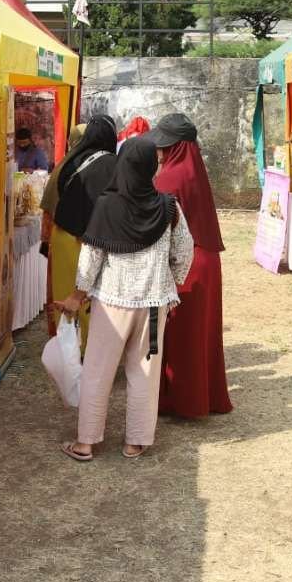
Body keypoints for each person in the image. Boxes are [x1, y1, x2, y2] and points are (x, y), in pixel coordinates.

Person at [55, 137, 194, 461]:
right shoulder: (169, 208)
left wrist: (78, 294)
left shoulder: (106, 206)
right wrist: (170, 283)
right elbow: (184, 251)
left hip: (111, 302)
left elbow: (91, 258)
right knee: (145, 371)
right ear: (150, 168)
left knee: (97, 370)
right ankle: (136, 441)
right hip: (153, 304)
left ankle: (86, 442)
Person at [147, 113, 233, 419]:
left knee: (181, 334)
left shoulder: (169, 178)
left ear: (175, 147)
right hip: (207, 260)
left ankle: (182, 401)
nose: (159, 150)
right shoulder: (194, 171)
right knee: (204, 335)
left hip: (187, 264)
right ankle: (205, 397)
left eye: (163, 145)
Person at [44, 116, 118, 345]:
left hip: (62, 235)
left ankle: (65, 344)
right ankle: (87, 348)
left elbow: (53, 198)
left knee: (65, 293)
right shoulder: (112, 164)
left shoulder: (69, 160)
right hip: (89, 241)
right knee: (87, 295)